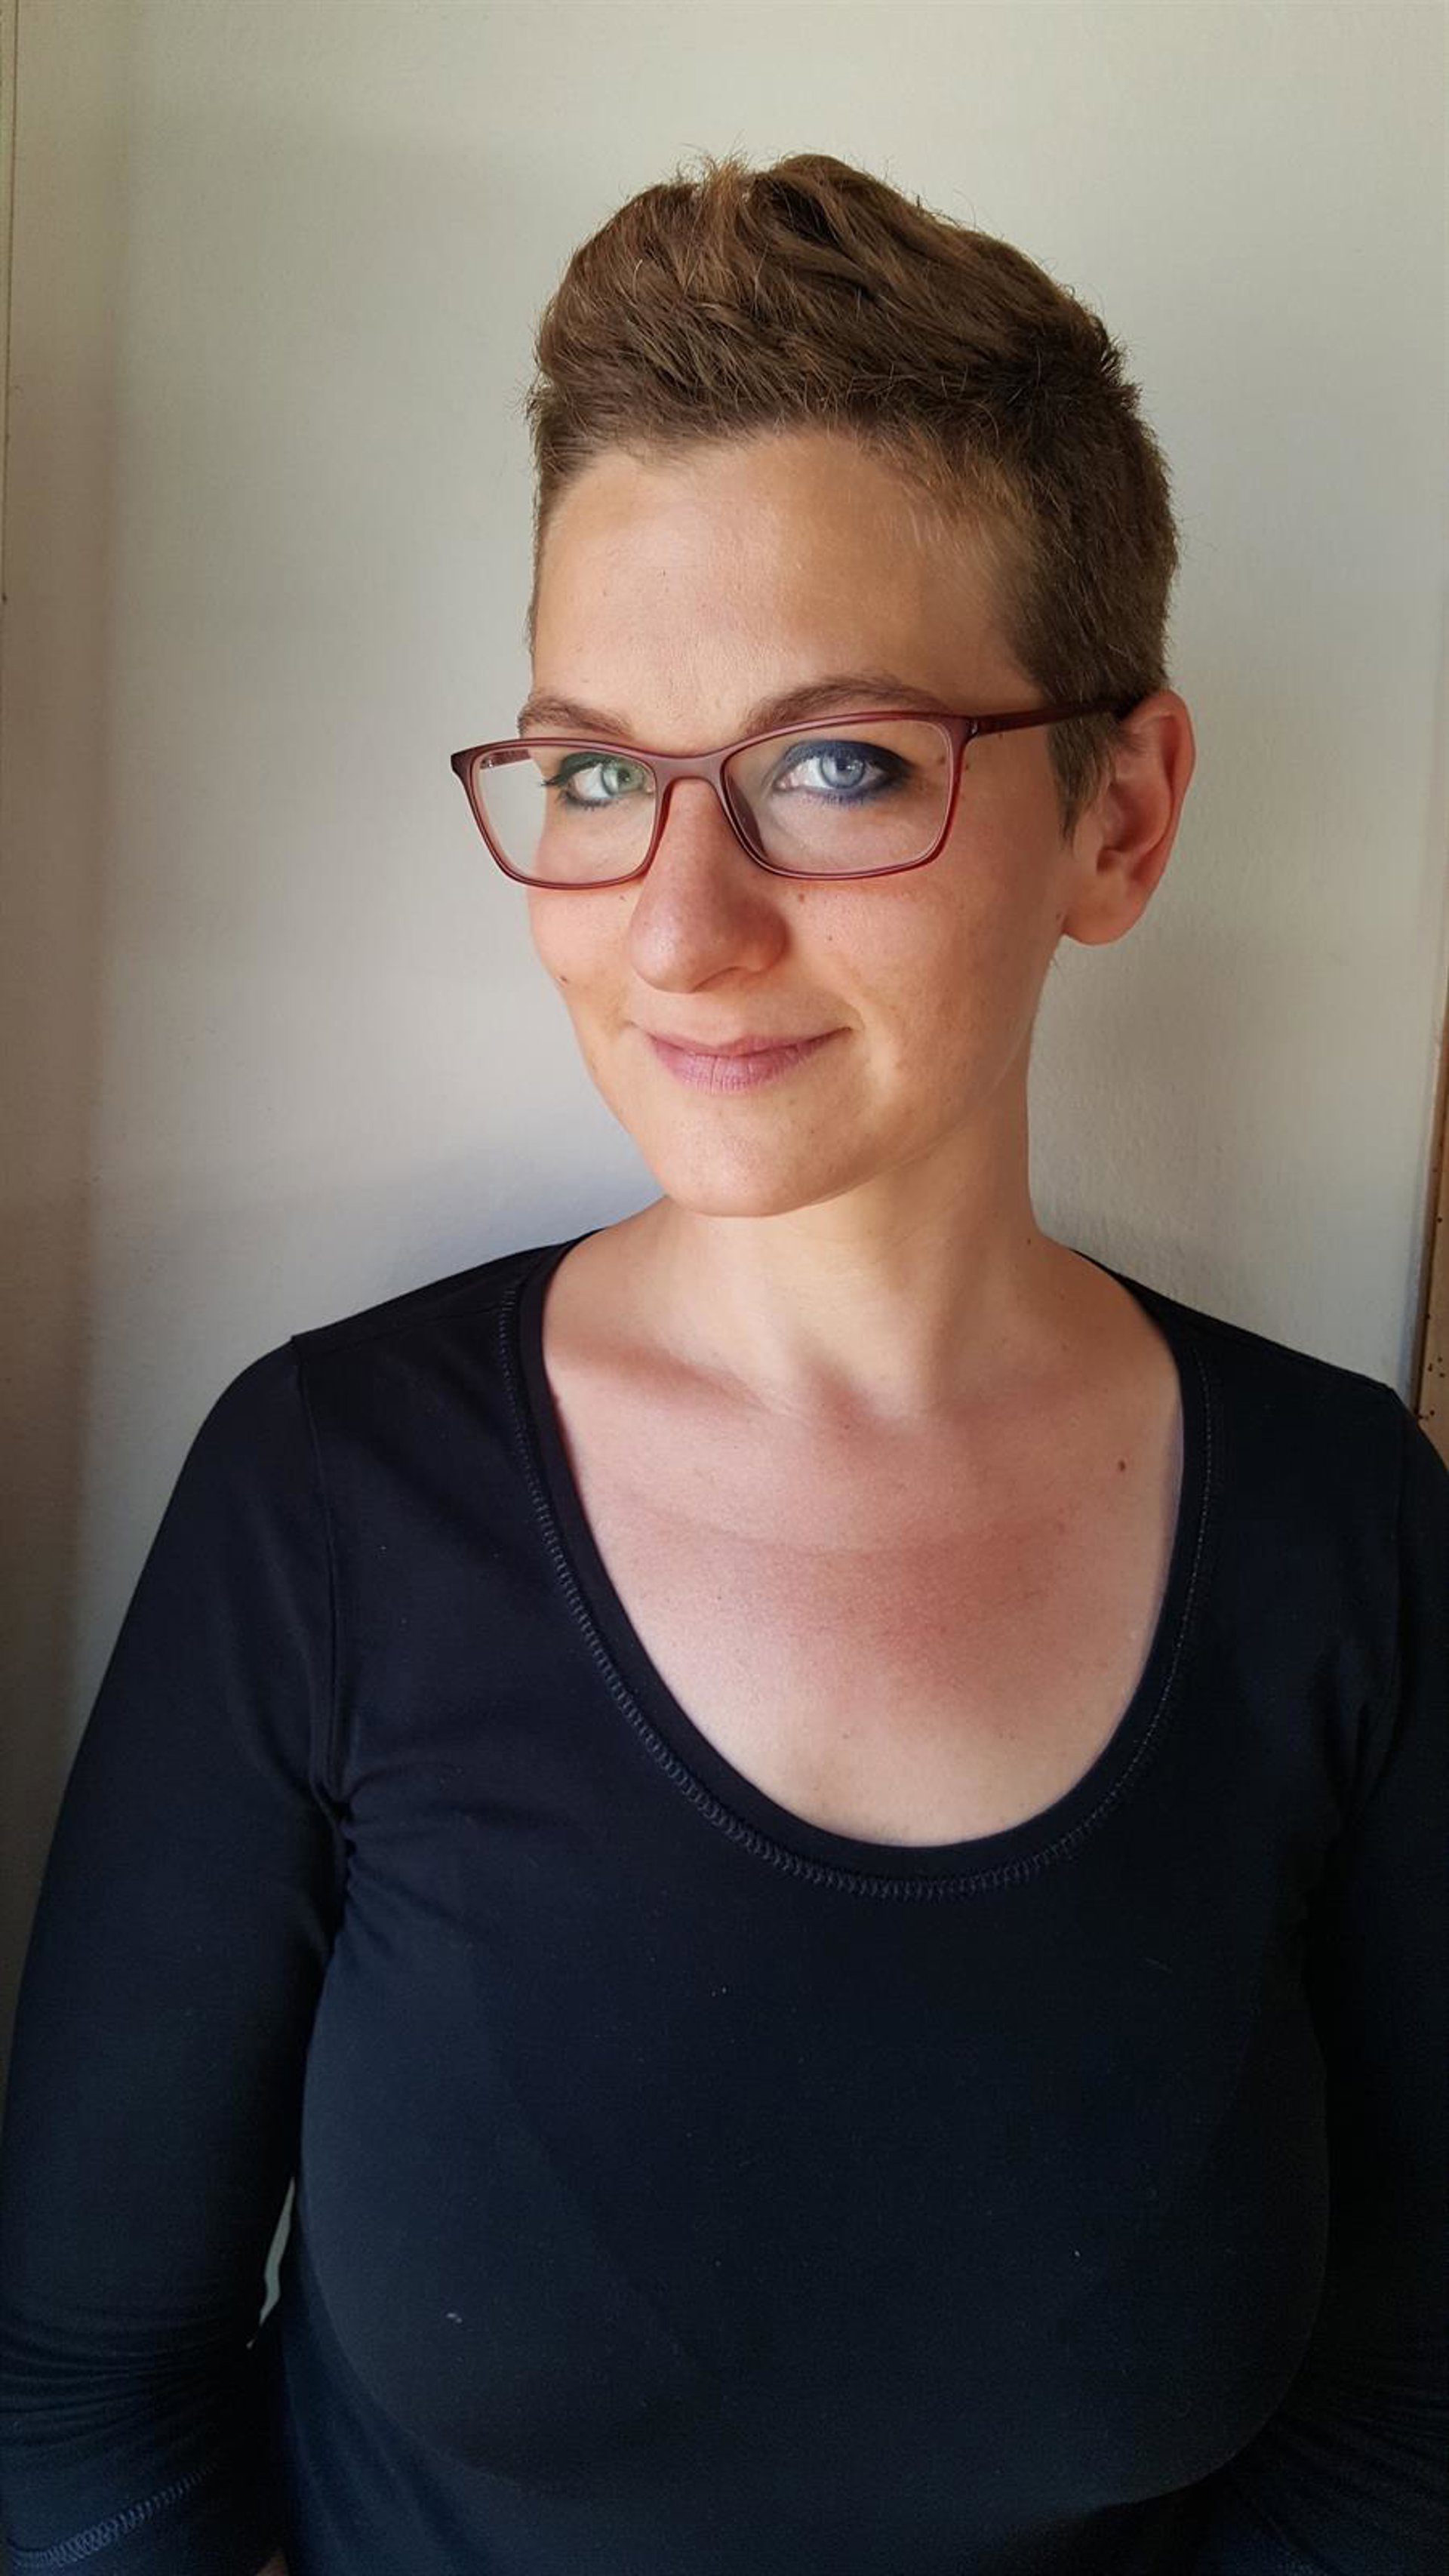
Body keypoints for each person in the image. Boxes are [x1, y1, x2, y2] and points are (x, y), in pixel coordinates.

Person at [1, 147, 1444, 2576]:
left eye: (836, 764)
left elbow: (1409, 2416)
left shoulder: (1352, 1543)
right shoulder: (328, 1499)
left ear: (1119, 818)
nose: (675, 927)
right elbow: (81, 2408)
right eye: (595, 772)